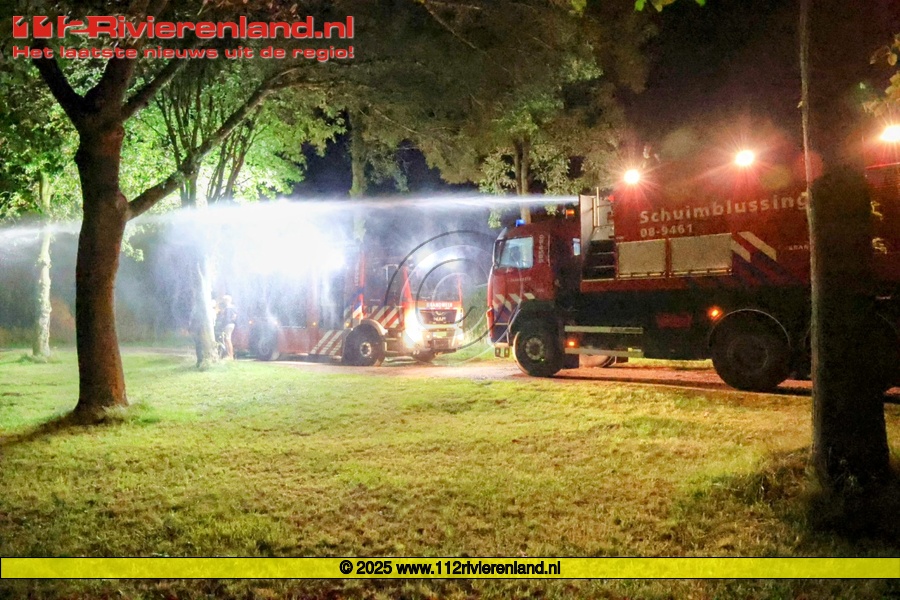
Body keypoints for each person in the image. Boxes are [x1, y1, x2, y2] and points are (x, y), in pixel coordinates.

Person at [216, 295, 238, 359]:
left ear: (226, 300)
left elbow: (225, 318)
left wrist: (222, 324)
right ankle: (230, 355)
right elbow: (234, 316)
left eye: (224, 300)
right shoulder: (234, 308)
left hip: (227, 324)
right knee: (228, 339)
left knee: (227, 339)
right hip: (232, 324)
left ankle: (230, 355)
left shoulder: (228, 308)